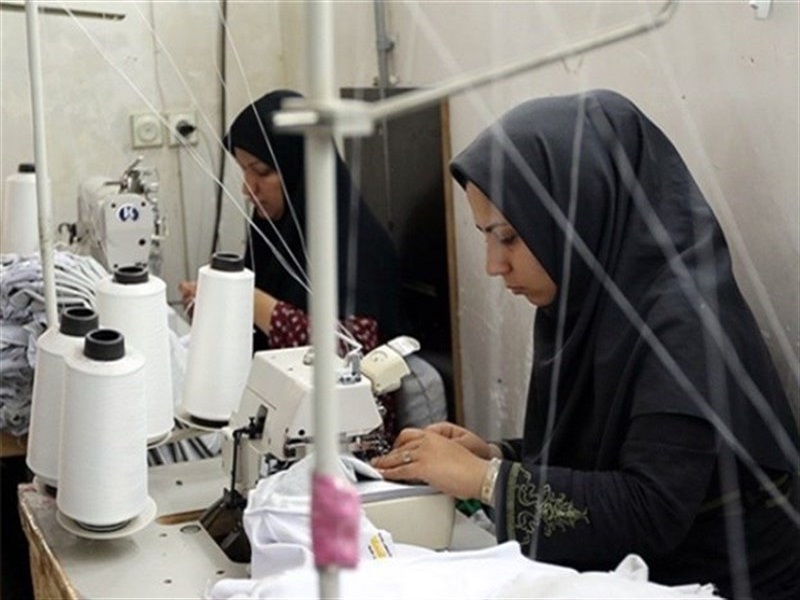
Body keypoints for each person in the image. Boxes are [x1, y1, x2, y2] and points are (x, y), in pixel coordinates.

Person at [372, 89, 800, 599]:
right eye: (486, 236)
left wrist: (487, 479)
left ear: (578, 214)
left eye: (508, 237)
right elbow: (608, 453)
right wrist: (492, 454)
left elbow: (650, 509)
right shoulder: (588, 305)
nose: (493, 264)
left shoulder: (687, 326)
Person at [179, 89, 402, 355]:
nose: (248, 189)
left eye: (262, 171)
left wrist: (246, 297)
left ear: (299, 168)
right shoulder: (275, 229)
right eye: (243, 170)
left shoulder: (356, 243)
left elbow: (352, 348)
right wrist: (216, 310)